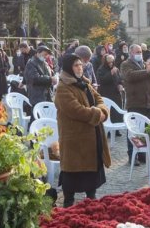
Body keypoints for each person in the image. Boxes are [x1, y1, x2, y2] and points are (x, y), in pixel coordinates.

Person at [54, 54, 110, 204]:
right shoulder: (63, 88)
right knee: (72, 174)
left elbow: (100, 100)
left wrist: (102, 110)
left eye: (80, 64)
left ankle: (91, 202)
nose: (80, 68)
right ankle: (68, 204)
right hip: (74, 140)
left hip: (91, 137)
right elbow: (75, 110)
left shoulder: (85, 83)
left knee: (91, 174)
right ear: (68, 68)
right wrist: (99, 114)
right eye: (75, 65)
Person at [23, 44, 54, 109]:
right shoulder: (31, 63)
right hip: (37, 96)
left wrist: (52, 75)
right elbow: (35, 79)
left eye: (47, 54)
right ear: (38, 53)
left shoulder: (44, 62)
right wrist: (50, 79)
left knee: (46, 116)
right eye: (45, 54)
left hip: (45, 94)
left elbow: (47, 74)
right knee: (36, 116)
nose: (46, 56)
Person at [97, 53, 124, 120]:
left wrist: (120, 85)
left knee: (118, 113)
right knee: (110, 114)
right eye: (109, 62)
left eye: (112, 62)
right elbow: (101, 80)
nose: (111, 64)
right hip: (107, 94)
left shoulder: (116, 69)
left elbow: (120, 80)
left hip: (116, 95)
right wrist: (110, 74)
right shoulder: (101, 69)